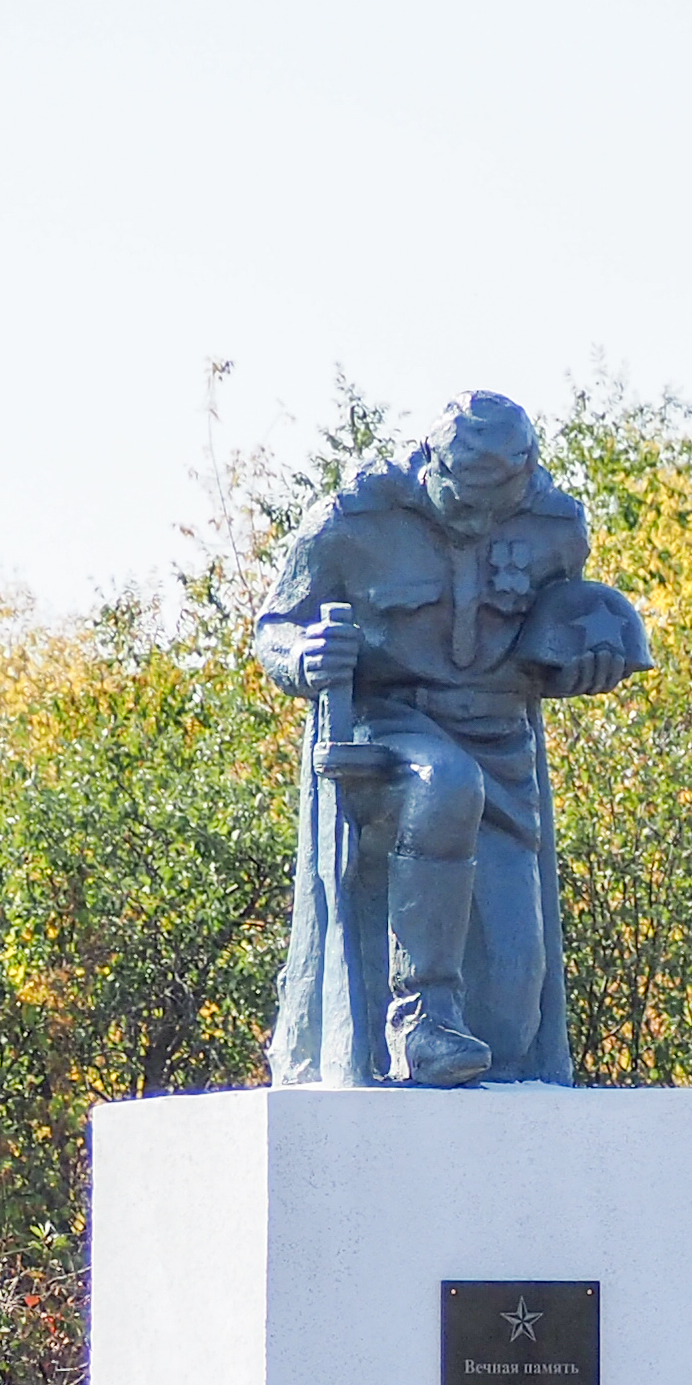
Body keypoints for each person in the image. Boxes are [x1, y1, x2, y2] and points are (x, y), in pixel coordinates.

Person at [251, 390, 649, 1088]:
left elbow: (546, 643)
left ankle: (457, 1033)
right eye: (464, 495)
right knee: (446, 785)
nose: (481, 515)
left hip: (500, 740)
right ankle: (419, 1018)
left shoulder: (556, 526)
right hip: (388, 731)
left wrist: (587, 661)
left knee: (507, 1015)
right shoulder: (352, 521)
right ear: (430, 462)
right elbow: (274, 628)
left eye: (500, 496)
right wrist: (304, 656)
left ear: (528, 472)